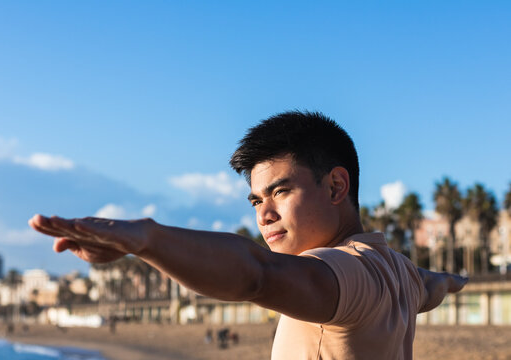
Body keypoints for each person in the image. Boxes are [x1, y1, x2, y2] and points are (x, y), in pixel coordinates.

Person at [29, 111, 467, 359]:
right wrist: (454, 281)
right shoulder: (398, 271)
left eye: (281, 191)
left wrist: (146, 240)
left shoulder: (348, 271)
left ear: (336, 186)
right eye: (257, 201)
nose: (265, 214)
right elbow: (433, 285)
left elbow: (257, 274)